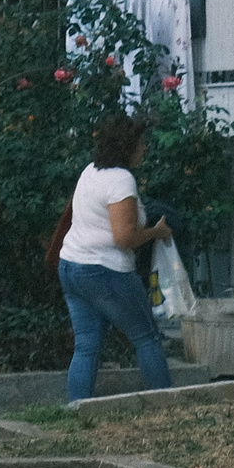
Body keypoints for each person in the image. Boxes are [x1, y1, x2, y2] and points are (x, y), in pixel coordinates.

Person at [57, 113, 177, 404]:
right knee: (146, 336)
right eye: (141, 143)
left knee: (86, 347)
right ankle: (170, 406)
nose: (144, 148)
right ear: (128, 147)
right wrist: (156, 231)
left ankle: (76, 410)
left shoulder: (90, 171)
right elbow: (123, 238)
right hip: (105, 271)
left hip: (71, 266)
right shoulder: (122, 180)